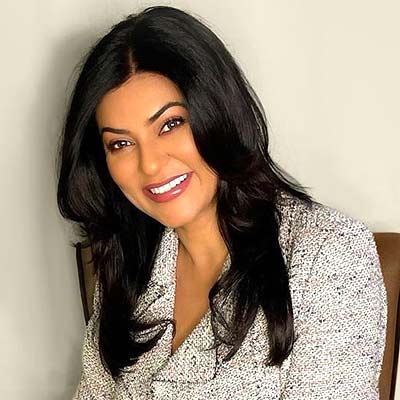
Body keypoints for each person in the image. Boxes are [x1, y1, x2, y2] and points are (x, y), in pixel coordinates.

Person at [56, 6, 387, 399]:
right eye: (121, 144)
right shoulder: (130, 260)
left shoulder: (328, 254)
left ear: (219, 114)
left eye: (170, 124)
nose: (150, 164)